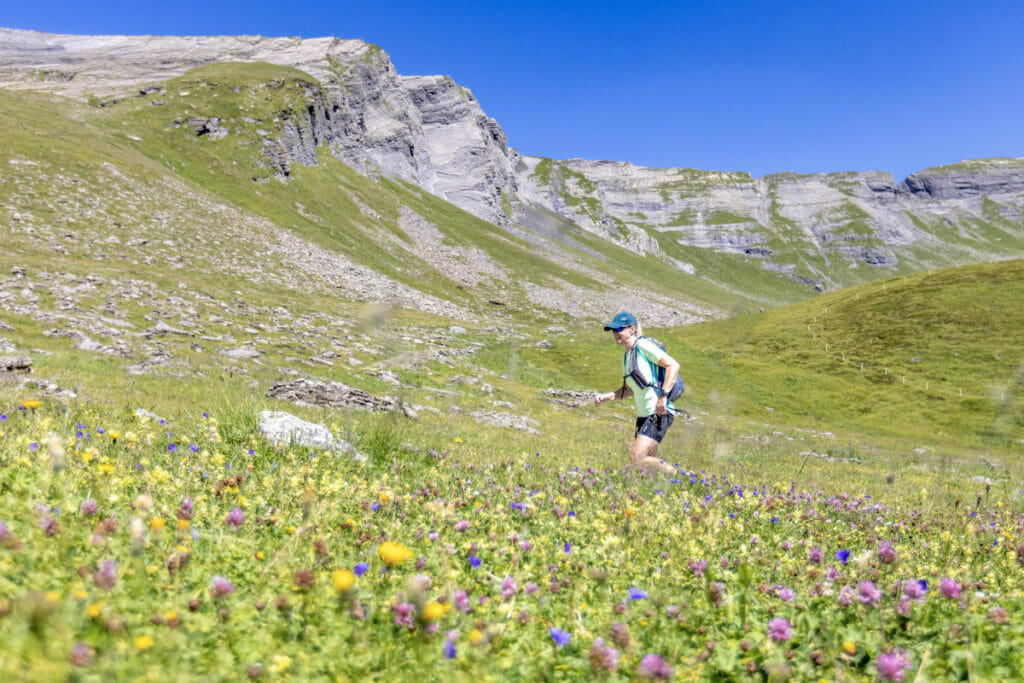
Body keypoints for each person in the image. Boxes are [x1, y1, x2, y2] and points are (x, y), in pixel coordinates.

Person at [594, 312, 680, 474]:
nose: (615, 333)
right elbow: (628, 390)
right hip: (643, 416)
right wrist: (607, 397)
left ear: (632, 329)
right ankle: (660, 490)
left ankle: (682, 476)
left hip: (659, 412)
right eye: (613, 330)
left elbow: (673, 365)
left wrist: (663, 396)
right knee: (645, 467)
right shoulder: (626, 357)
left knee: (636, 458)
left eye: (619, 328)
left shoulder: (643, 346)